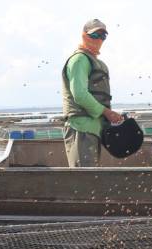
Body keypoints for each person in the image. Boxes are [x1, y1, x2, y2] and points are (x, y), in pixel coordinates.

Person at [61, 19, 124, 167]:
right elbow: (79, 94)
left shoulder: (97, 62)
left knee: (92, 177)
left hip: (95, 129)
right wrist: (106, 112)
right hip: (81, 127)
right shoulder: (79, 60)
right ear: (84, 36)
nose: (99, 40)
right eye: (95, 35)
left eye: (103, 37)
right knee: (84, 180)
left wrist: (110, 115)